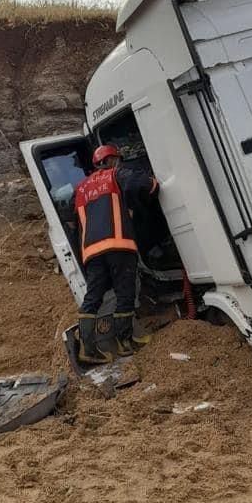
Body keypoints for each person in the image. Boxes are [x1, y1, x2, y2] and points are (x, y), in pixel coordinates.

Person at [74, 143, 160, 364]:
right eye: (118, 160)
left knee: (92, 297)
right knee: (124, 293)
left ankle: (88, 349)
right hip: (118, 244)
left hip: (92, 251)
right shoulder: (116, 174)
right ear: (112, 160)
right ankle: (125, 343)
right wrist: (142, 199)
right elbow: (142, 184)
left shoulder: (81, 188)